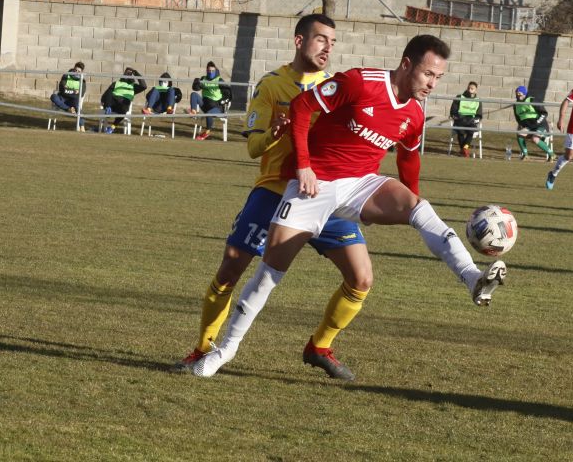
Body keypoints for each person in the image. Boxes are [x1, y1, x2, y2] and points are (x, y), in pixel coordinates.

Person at [193, 34, 507, 378]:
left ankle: (472, 277)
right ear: (406, 64)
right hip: (314, 185)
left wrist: (410, 206)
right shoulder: (360, 82)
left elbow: (408, 161)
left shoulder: (414, 115)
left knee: (419, 212)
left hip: (360, 184)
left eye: (438, 78)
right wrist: (304, 165)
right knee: (269, 274)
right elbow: (301, 107)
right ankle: (225, 350)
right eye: (428, 74)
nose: (432, 84)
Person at [175, 13, 374, 381]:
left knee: (361, 278)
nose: (328, 47)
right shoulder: (272, 86)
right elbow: (253, 147)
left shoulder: (338, 88)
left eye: (332, 41)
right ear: (299, 41)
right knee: (230, 269)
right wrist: (276, 134)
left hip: (325, 193)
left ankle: (319, 346)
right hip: (274, 191)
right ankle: (203, 348)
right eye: (320, 39)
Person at [189, 61, 231, 140]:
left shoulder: (219, 80)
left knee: (209, 113)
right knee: (194, 94)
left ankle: (207, 132)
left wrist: (223, 101)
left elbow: (228, 93)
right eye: (209, 71)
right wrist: (197, 82)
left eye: (212, 71)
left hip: (217, 107)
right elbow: (195, 88)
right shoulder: (203, 79)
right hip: (205, 105)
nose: (210, 72)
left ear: (215, 71)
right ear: (207, 71)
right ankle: (193, 112)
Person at [513, 85, 554, 161]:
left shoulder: (532, 100)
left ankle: (552, 154)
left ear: (524, 94)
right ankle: (525, 155)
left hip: (541, 125)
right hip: (530, 127)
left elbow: (544, 113)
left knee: (535, 138)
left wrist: (537, 122)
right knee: (520, 134)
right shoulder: (516, 105)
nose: (518, 96)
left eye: (520, 94)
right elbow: (518, 118)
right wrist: (523, 126)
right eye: (516, 94)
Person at [101, 67, 146, 133]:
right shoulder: (116, 83)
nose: (128, 74)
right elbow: (105, 95)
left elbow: (144, 86)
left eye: (130, 73)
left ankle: (112, 127)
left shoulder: (134, 86)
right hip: (112, 103)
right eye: (127, 72)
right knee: (109, 92)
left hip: (123, 104)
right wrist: (104, 102)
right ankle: (108, 108)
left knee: (124, 108)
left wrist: (136, 73)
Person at [449, 81, 483, 157]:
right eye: (469, 88)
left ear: (475, 90)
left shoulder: (478, 100)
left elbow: (479, 115)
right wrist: (457, 118)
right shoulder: (459, 97)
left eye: (472, 88)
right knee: (460, 131)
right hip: (460, 119)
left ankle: (464, 149)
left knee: (471, 131)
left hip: (471, 121)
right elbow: (453, 111)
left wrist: (475, 120)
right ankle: (465, 149)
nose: (470, 89)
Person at [50, 61, 87, 131]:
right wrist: (74, 91)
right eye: (75, 70)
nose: (76, 72)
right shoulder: (66, 75)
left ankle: (82, 126)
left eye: (78, 71)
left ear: (81, 72)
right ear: (73, 69)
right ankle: (68, 109)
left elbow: (81, 94)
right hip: (62, 98)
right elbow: (62, 89)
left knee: (77, 107)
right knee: (53, 97)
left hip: (73, 100)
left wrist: (68, 89)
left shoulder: (83, 81)